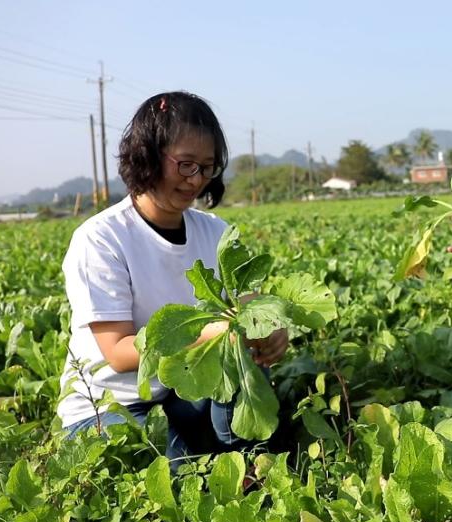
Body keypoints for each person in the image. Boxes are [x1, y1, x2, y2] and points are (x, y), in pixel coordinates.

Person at [57, 91, 288, 458]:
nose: (195, 180)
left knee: (242, 377)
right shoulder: (101, 238)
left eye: (206, 167)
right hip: (110, 408)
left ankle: (251, 464)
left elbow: (249, 305)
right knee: (157, 476)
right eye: (185, 164)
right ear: (147, 155)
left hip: (182, 394)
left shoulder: (214, 232)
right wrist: (210, 333)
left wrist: (270, 329)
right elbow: (118, 352)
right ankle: (220, 461)